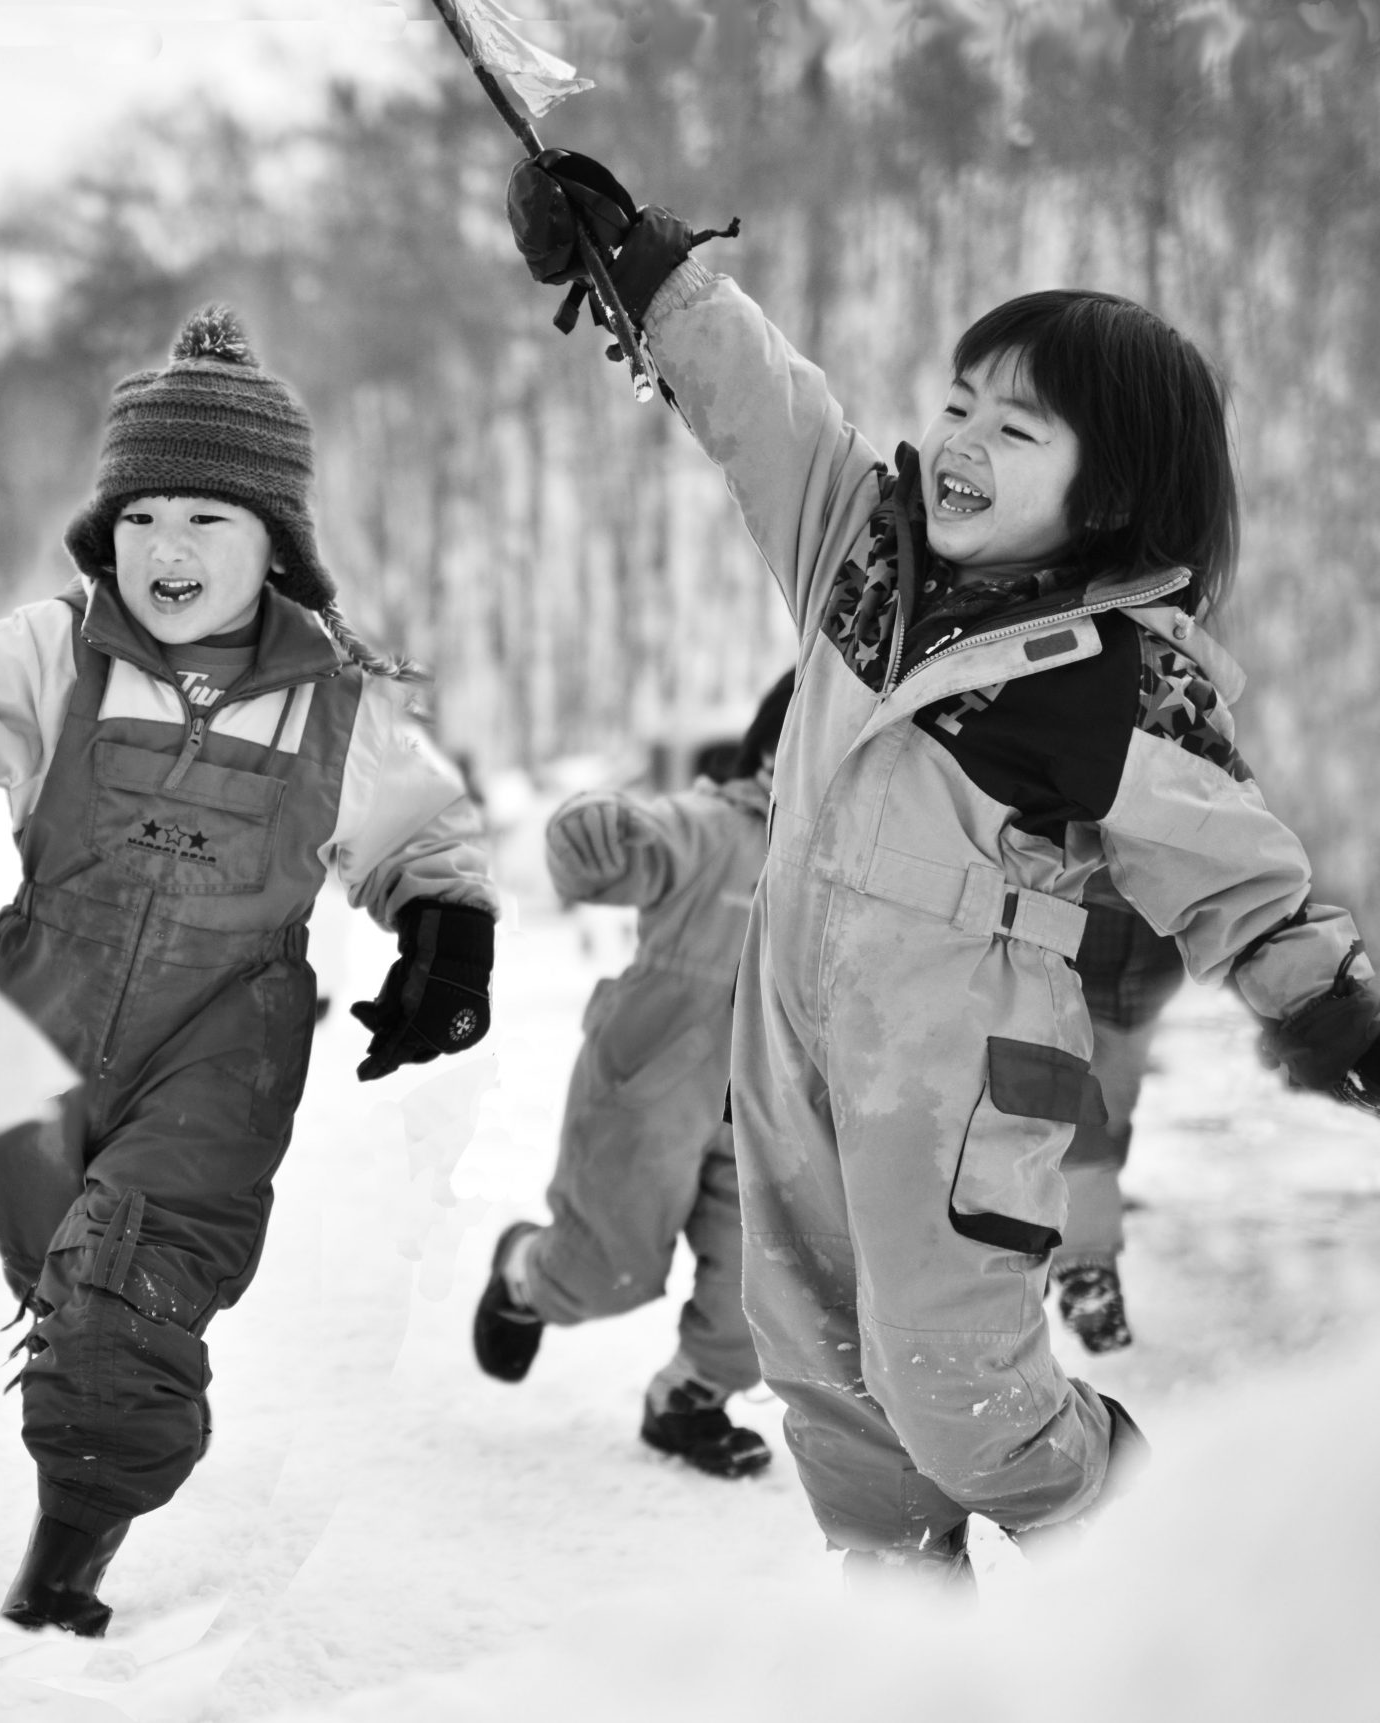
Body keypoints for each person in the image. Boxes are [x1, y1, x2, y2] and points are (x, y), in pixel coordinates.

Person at [505, 153, 1380, 1581]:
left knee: (959, 1396)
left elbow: (1237, 867)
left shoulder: (1114, 681)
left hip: (967, 1067)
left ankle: (1150, 1555)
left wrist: (1324, 998)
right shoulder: (860, 553)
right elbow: (761, 402)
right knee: (832, 1390)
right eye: (960, 402)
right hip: (791, 1031)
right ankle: (916, 1648)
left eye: (1017, 427)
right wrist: (647, 274)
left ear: (1114, 493)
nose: (963, 437)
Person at [0, 305, 499, 1637]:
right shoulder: (57, 651)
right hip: (37, 1033)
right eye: (141, 517)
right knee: (60, 1267)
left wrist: (445, 935)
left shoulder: (338, 693)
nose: (164, 549)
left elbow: (424, 831)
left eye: (206, 520)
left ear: (274, 542)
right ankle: (94, 1377)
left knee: (121, 1293)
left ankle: (58, 1577)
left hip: (220, 1044)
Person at [473, 674, 793, 1480]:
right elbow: (646, 843)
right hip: (655, 1079)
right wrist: (602, 834)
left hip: (772, 1103)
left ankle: (689, 1398)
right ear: (770, 749)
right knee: (601, 1271)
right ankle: (525, 1272)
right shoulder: (716, 827)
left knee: (764, 1286)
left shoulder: (863, 866)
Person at [1052, 875, 1186, 1353]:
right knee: (1073, 1120)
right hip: (1069, 964)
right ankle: (1082, 1265)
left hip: (1144, 981)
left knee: (1109, 1120)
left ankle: (1054, 1235)